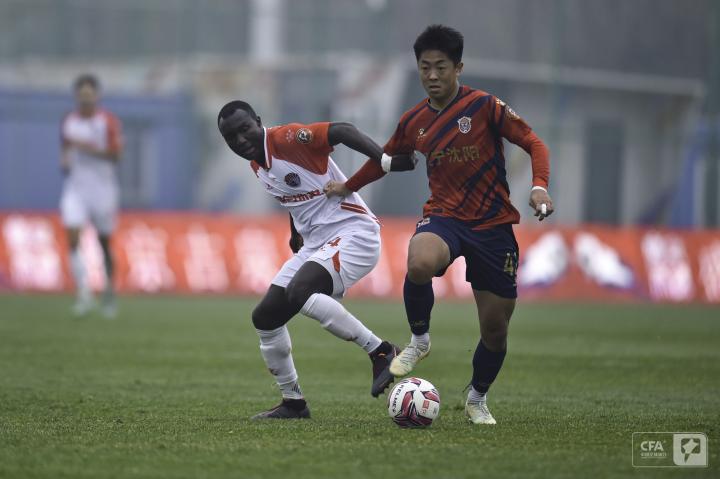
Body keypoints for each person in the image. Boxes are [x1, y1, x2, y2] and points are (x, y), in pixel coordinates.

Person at [325, 25, 554, 425]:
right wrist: (348, 186)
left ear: (458, 68)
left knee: (495, 330)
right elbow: (384, 161)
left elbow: (534, 143)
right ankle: (419, 340)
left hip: (493, 225)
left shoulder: (485, 107)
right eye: (425, 67)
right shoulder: (413, 120)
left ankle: (477, 398)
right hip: (445, 217)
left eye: (441, 67)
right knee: (419, 262)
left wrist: (538, 187)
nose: (432, 75)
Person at [217, 100, 404, 419]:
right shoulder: (257, 162)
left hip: (354, 232)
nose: (240, 140)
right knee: (266, 318)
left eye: (245, 129)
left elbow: (342, 130)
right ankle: (293, 403)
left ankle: (382, 351)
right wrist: (295, 232)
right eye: (231, 137)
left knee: (300, 292)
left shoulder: (287, 139)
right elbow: (295, 195)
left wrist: (384, 158)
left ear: (258, 121)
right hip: (317, 242)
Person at [60, 74, 123, 318]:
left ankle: (108, 292)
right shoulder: (69, 121)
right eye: (82, 95)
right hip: (76, 188)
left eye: (89, 95)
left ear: (96, 96)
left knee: (103, 242)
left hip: (103, 189)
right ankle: (83, 293)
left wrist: (87, 149)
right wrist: (65, 161)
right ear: (76, 96)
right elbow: (65, 149)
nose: (85, 100)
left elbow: (116, 155)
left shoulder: (107, 122)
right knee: (73, 236)